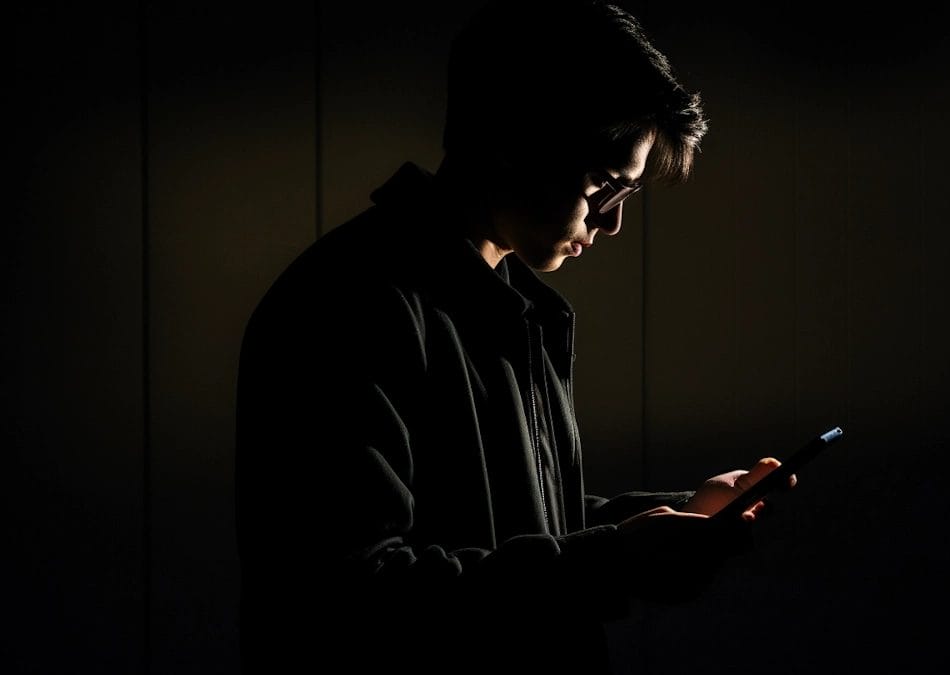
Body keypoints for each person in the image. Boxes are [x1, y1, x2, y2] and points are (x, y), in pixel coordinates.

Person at [235, 1, 793, 672]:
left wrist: (679, 514)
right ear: (512, 141)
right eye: (604, 186)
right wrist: (611, 560)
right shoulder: (348, 306)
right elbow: (347, 597)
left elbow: (514, 522)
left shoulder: (507, 307)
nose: (611, 224)